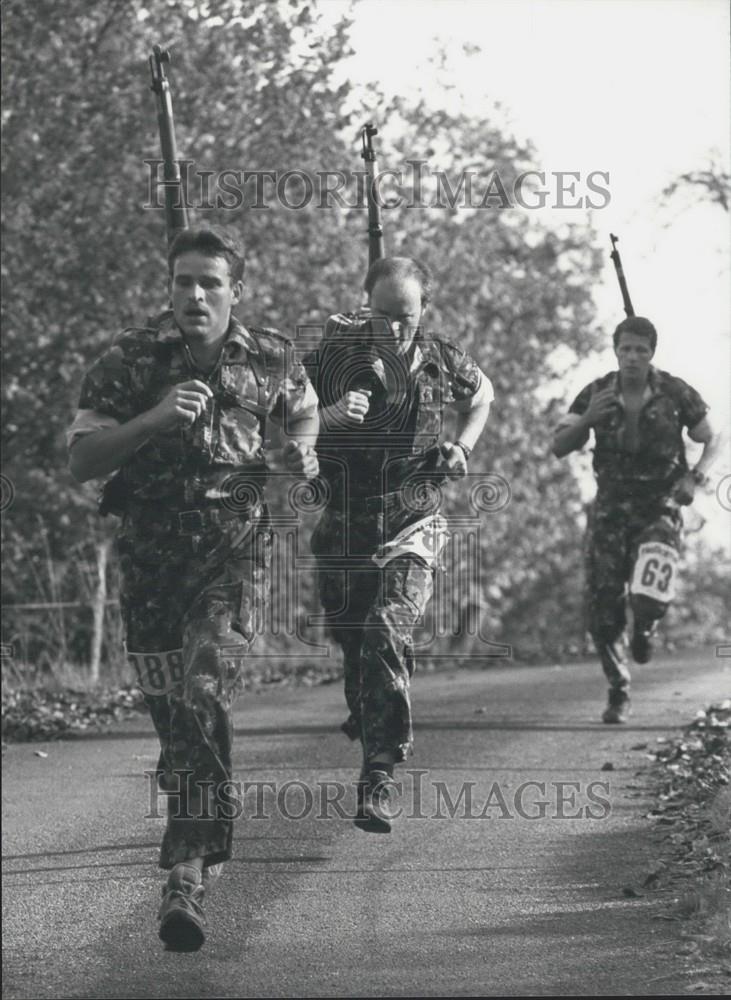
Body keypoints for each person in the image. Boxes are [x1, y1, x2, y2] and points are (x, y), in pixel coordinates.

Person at [67, 226, 319, 950]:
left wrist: (301, 450)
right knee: (175, 715)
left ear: (236, 291)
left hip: (230, 559)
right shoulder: (130, 358)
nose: (194, 295)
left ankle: (186, 873)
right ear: (169, 288)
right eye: (182, 281)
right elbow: (82, 461)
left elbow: (300, 411)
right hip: (149, 565)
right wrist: (149, 419)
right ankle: (197, 802)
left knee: (201, 692)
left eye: (209, 282)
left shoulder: (269, 355)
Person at [303, 256, 493, 832]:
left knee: (388, 628)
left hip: (413, 520)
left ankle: (379, 773)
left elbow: (482, 396)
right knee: (358, 648)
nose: (394, 330)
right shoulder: (334, 355)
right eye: (382, 317)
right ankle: (373, 717)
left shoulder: (441, 357)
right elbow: (281, 422)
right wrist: (329, 416)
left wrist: (461, 447)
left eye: (405, 318)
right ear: (366, 308)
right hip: (344, 525)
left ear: (424, 313)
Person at [552, 316, 720, 723]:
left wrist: (695, 478)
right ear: (615, 351)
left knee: (648, 589)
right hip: (610, 509)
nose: (632, 357)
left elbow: (713, 437)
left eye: (640, 350)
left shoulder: (675, 392)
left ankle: (645, 626)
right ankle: (619, 688)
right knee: (603, 605)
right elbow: (559, 446)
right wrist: (589, 418)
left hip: (660, 506)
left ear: (651, 354)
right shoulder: (596, 393)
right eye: (625, 349)